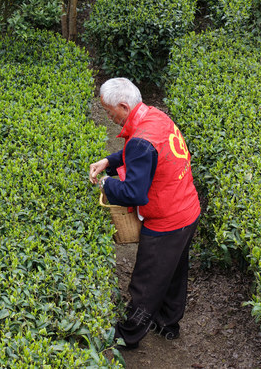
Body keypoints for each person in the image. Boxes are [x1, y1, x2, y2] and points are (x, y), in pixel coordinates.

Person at [88, 78, 201, 349]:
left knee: (146, 282)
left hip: (167, 222)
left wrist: (106, 183)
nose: (108, 117)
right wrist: (109, 161)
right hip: (188, 210)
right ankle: (167, 324)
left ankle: (128, 335)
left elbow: (134, 193)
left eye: (109, 112)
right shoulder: (155, 117)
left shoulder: (141, 140)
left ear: (124, 106)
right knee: (173, 273)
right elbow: (142, 153)